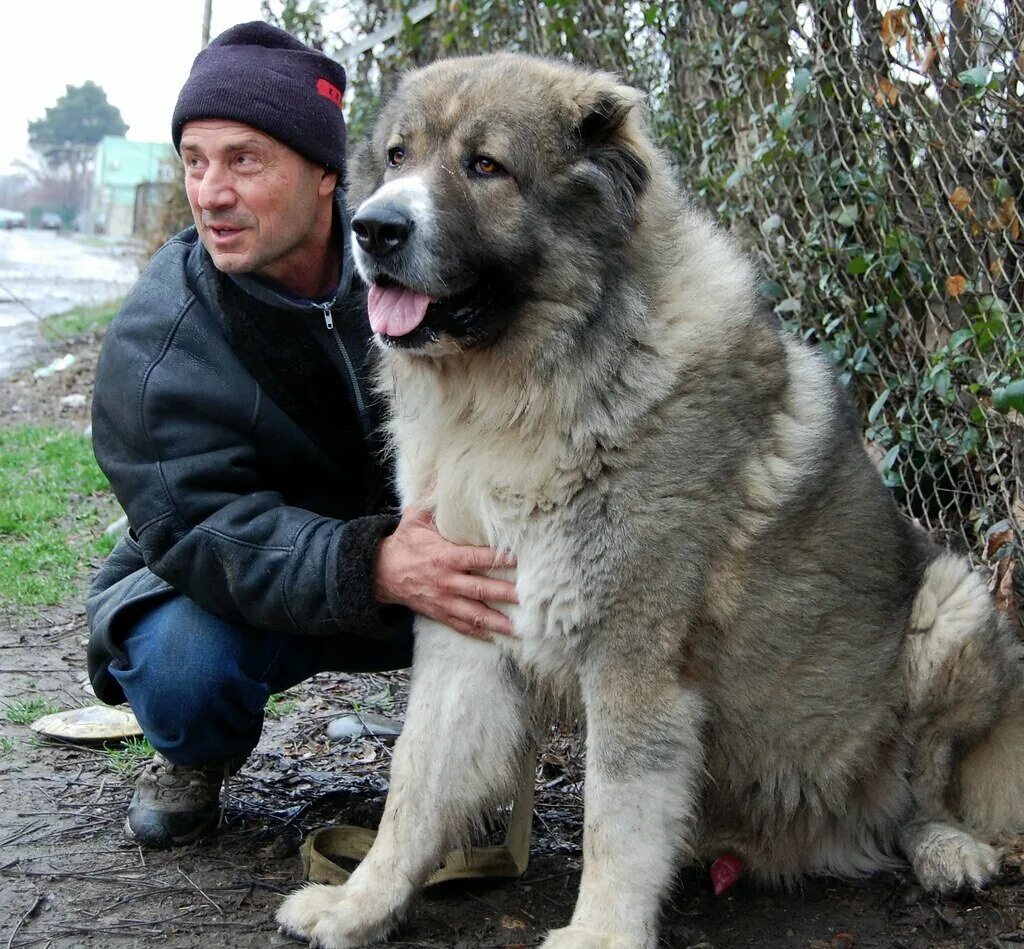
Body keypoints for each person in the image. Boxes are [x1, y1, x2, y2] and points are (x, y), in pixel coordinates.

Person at [86, 21, 517, 849]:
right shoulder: (154, 344)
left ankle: (478, 762)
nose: (210, 192)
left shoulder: (425, 253)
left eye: (244, 160)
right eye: (194, 161)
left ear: (326, 174)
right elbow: (201, 529)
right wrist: (375, 563)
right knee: (183, 668)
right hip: (242, 582)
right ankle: (193, 754)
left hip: (428, 556)